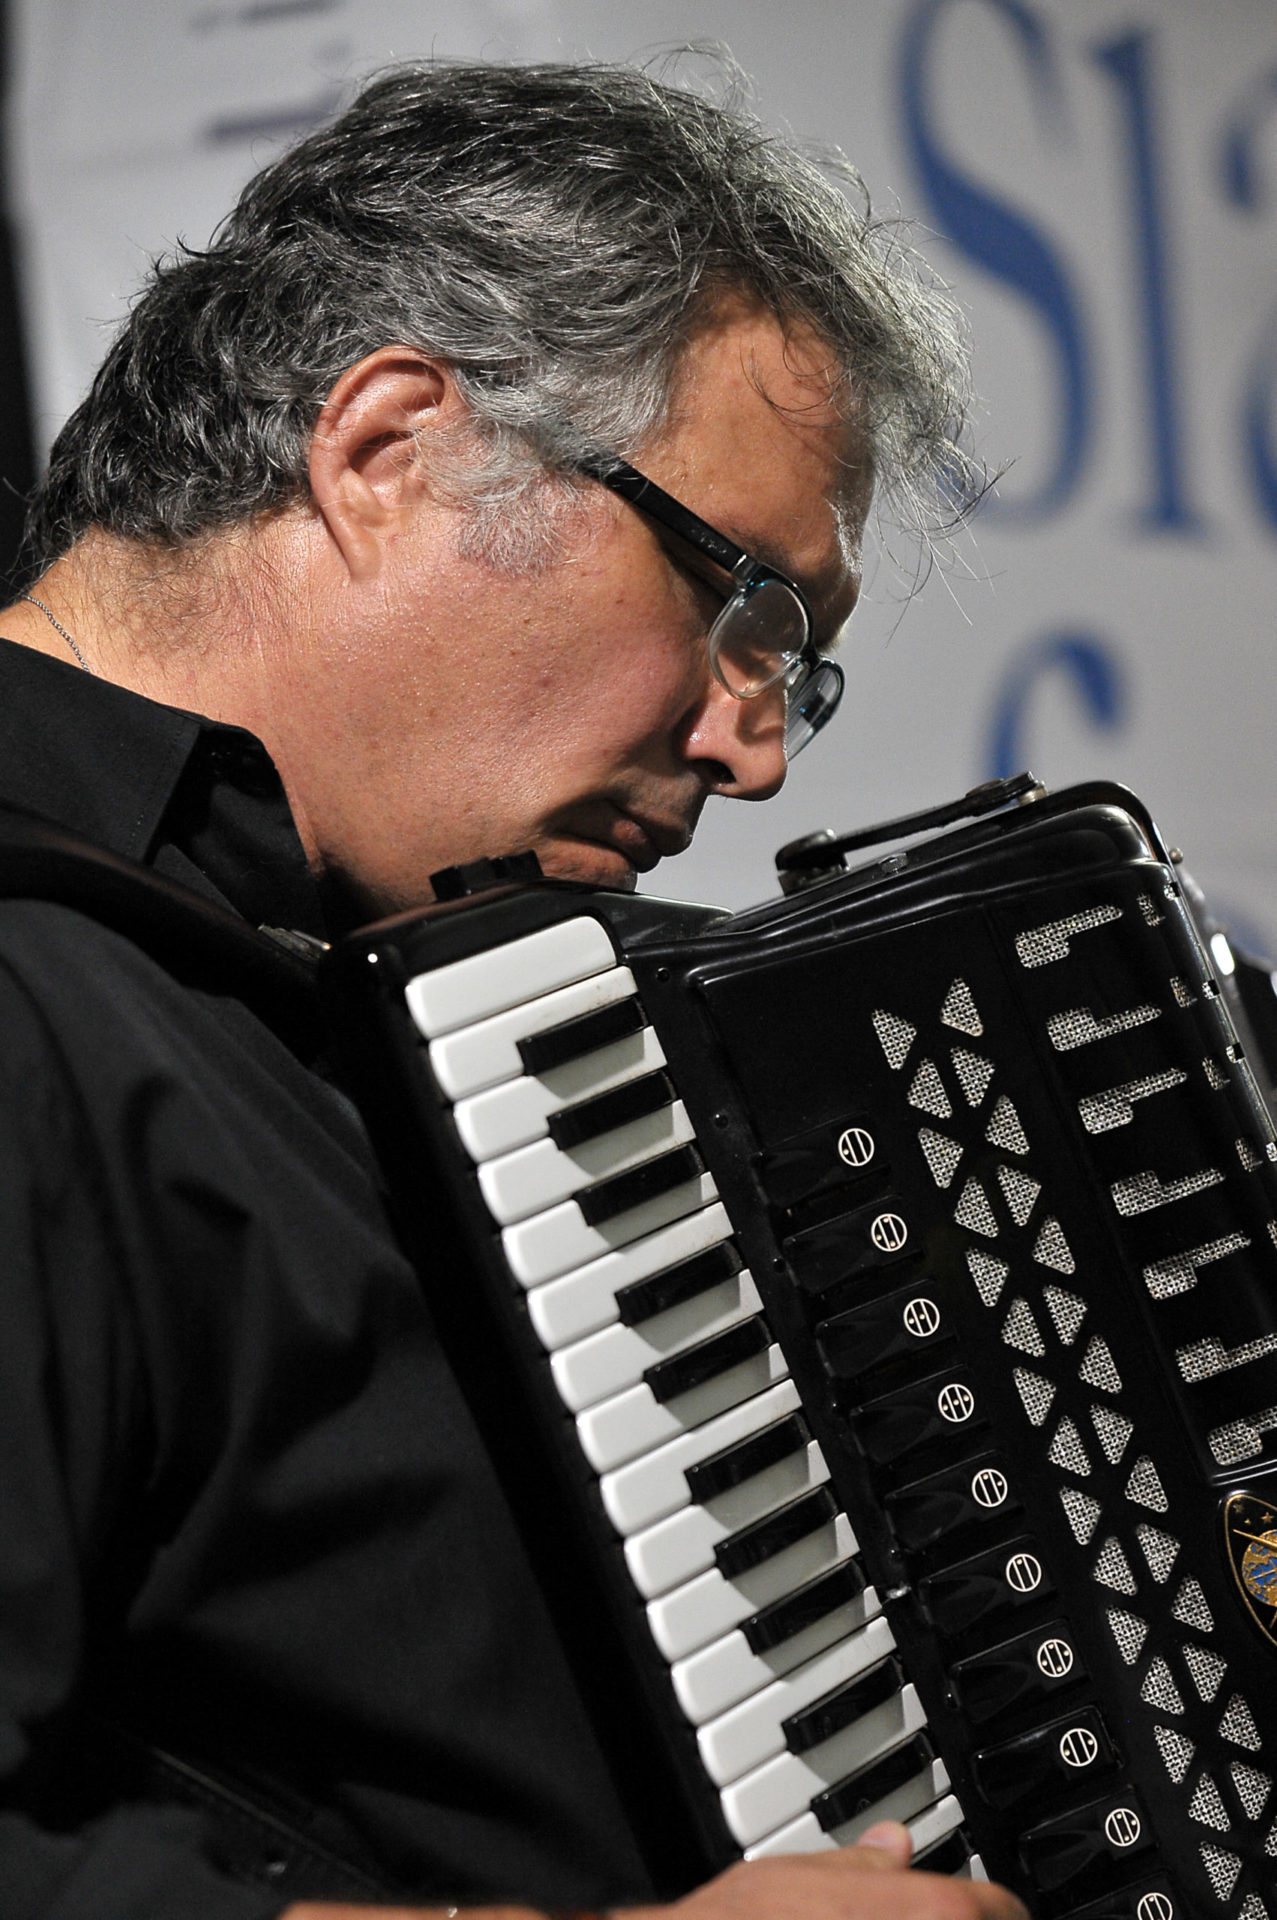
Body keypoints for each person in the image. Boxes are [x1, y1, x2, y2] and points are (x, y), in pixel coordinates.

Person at [0, 57, 1022, 1920]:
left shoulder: (435, 1025)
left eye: (801, 670)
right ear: (391, 449)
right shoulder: (31, 980)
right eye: (745, 609)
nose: (757, 749)